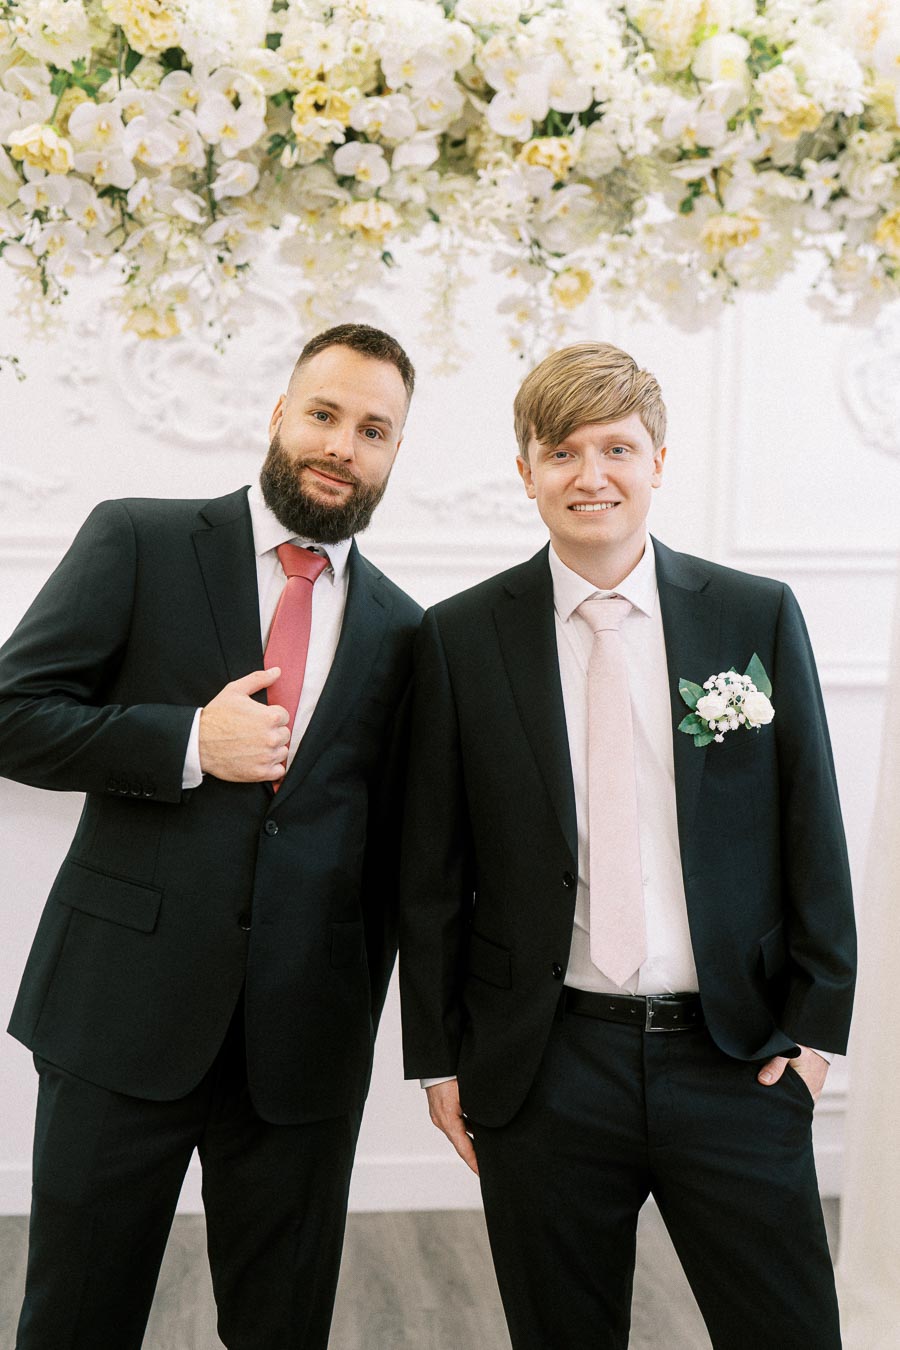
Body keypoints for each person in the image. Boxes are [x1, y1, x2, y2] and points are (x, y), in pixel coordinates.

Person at [399, 341, 856, 1350]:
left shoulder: (754, 615)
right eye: (562, 451)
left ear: (659, 462)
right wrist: (439, 1061)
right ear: (526, 473)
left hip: (735, 1059)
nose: (591, 474)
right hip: (547, 1063)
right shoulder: (458, 639)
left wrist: (816, 1040)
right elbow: (433, 873)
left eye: (618, 447)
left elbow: (811, 833)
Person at [0, 323, 422, 1350]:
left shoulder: (407, 629)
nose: (342, 446)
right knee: (77, 1319)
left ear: (394, 453)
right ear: (279, 414)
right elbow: (13, 714)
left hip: (301, 1058)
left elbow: (401, 862)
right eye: (324, 414)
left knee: (281, 1330)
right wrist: (189, 739)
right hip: (117, 1020)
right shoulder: (138, 539)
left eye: (373, 430)